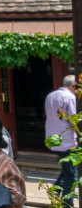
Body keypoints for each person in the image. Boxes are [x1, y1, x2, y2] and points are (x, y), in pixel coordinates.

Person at [45, 74, 77, 207]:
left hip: (53, 139)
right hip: (67, 140)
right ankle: (67, 203)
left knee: (67, 168)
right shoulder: (70, 97)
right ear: (73, 86)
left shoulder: (50, 96)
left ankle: (56, 189)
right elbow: (74, 119)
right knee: (72, 174)